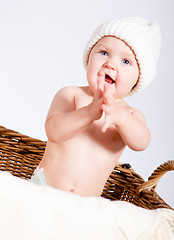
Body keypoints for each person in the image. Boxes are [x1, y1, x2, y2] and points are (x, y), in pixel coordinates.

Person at [30, 17, 161, 197]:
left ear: (137, 80)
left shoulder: (129, 115)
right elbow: (53, 131)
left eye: (126, 62)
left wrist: (121, 118)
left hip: (87, 205)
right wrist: (89, 112)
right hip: (43, 188)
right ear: (88, 57)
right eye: (104, 53)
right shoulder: (71, 95)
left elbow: (142, 143)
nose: (111, 64)